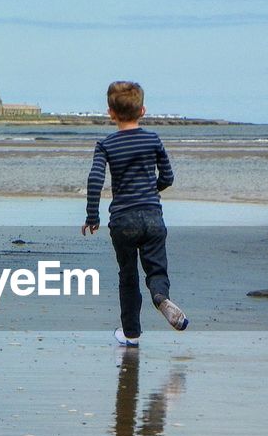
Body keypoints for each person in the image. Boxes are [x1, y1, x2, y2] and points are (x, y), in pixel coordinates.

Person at [81, 81, 188, 346]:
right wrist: (153, 190)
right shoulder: (153, 139)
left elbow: (95, 179)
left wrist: (92, 216)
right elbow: (168, 176)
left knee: (127, 276)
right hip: (152, 216)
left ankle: (131, 334)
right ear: (143, 110)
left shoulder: (106, 145)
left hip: (122, 220)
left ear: (110, 113)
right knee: (156, 269)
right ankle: (161, 298)